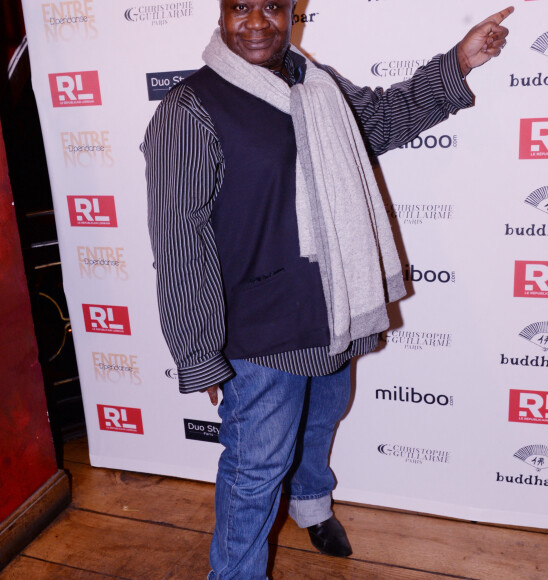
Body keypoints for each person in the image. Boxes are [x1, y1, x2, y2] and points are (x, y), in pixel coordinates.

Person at [142, 2, 513, 578]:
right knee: (255, 469)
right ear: (220, 13)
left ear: (294, 12)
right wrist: (199, 355)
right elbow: (180, 241)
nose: (259, 21)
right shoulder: (189, 109)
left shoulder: (316, 83)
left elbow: (382, 121)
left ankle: (311, 505)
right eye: (242, 6)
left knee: (323, 416)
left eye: (273, 6)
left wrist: (460, 62)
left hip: (336, 302)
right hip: (259, 328)